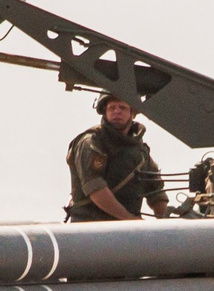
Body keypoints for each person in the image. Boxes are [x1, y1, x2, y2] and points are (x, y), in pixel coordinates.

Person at [65, 94, 171, 222]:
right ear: (104, 112)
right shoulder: (91, 142)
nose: (117, 111)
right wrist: (129, 219)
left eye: (122, 107)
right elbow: (95, 188)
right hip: (91, 229)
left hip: (126, 231)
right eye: (111, 108)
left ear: (132, 113)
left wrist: (166, 223)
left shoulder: (140, 152)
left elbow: (156, 191)